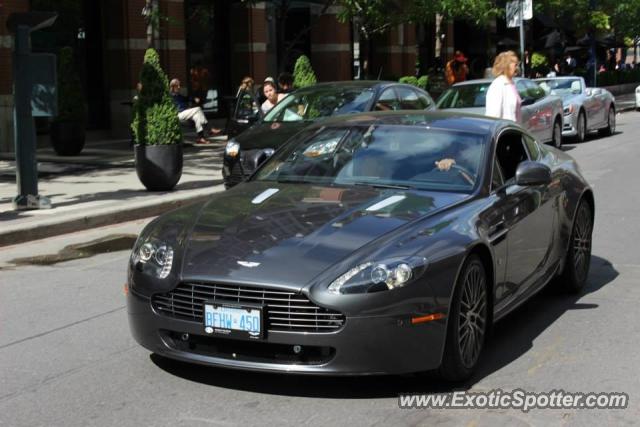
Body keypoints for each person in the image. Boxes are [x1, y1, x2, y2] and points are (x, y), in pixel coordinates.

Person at [169, 78, 220, 144]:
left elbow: (186, 98)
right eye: (177, 86)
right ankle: (209, 129)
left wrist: (194, 99)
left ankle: (201, 138)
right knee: (198, 109)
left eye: (179, 85)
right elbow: (177, 108)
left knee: (197, 116)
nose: (179, 87)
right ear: (173, 86)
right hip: (178, 114)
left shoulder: (178, 95)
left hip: (184, 112)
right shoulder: (170, 96)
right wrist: (188, 109)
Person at [485, 50, 521, 123]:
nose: (517, 68)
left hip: (514, 130)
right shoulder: (498, 85)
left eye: (517, 65)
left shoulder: (511, 83)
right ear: (505, 66)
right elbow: (493, 115)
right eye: (515, 65)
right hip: (505, 131)